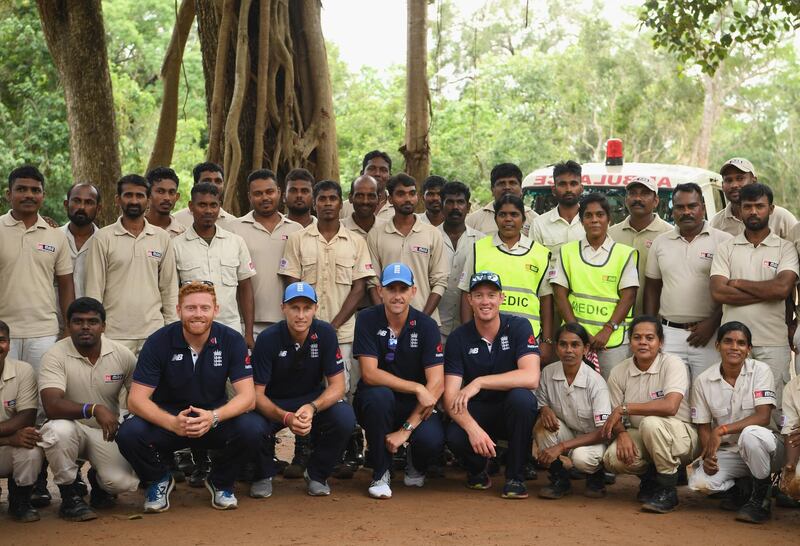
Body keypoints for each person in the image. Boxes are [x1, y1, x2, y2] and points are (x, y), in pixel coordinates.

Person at [115, 282, 265, 512]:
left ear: (216, 309)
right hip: (170, 421)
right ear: (178, 310)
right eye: (190, 308)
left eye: (205, 308)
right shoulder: (158, 341)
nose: (198, 314)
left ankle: (220, 481)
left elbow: (248, 397)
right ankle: (159, 479)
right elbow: (136, 400)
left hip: (211, 420)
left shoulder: (231, 340)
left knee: (254, 428)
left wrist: (213, 417)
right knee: (128, 433)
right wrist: (172, 423)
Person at [279, 180, 374, 478]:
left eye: (334, 198)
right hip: (302, 333)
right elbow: (291, 283)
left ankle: (341, 451)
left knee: (342, 392)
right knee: (306, 390)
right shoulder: (297, 239)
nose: (328, 203)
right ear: (315, 203)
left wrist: (330, 327)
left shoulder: (357, 242)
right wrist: (310, 324)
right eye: (323, 199)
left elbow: (360, 288)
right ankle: (303, 451)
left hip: (343, 333)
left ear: (341, 202)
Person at [250, 282, 356, 498]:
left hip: (310, 400)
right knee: (248, 426)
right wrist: (286, 417)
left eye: (306, 308)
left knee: (344, 417)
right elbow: (256, 395)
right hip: (274, 402)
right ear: (283, 308)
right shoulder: (267, 339)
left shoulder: (325, 333)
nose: (300, 315)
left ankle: (317, 474)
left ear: (315, 309)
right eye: (294, 307)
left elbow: (338, 386)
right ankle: (263, 474)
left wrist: (312, 406)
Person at [38, 298, 139, 521]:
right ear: (68, 324)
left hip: (107, 431)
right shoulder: (54, 355)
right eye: (78, 321)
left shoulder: (122, 354)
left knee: (122, 484)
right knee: (58, 431)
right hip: (71, 427)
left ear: (103, 326)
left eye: (93, 321)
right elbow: (52, 405)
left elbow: (138, 399)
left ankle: (98, 479)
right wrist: (93, 408)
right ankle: (69, 496)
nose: (85, 327)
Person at [444, 271, 540, 499]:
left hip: (509, 410)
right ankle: (479, 469)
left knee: (523, 400)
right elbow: (449, 397)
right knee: (455, 434)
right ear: (469, 300)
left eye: (491, 295)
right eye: (478, 295)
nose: (485, 301)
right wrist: (473, 429)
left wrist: (479, 382)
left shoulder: (518, 326)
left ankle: (515, 476)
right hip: (477, 410)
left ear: (502, 298)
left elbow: (531, 377)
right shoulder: (458, 337)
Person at [353, 263, 445, 499]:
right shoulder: (366, 319)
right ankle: (381, 472)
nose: (397, 295)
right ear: (380, 292)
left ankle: (415, 460)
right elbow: (370, 373)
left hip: (416, 406)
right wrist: (415, 386)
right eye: (391, 289)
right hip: (379, 400)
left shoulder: (427, 325)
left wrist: (405, 431)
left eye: (402, 289)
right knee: (379, 396)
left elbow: (437, 383)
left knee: (432, 440)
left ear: (413, 291)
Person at [710, 183, 798, 424]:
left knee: (774, 412)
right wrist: (767, 291)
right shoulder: (726, 248)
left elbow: (782, 289)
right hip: (734, 343)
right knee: (734, 408)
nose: (753, 212)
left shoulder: (785, 247)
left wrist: (737, 282)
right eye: (747, 206)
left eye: (759, 206)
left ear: (771, 209)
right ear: (739, 210)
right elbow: (719, 292)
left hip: (773, 342)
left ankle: (777, 463)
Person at [601, 316, 697, 514]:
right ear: (630, 342)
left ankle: (668, 490)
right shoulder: (619, 371)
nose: (643, 342)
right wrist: (622, 434)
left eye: (649, 338)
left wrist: (625, 408)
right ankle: (651, 479)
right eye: (637, 337)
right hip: (642, 432)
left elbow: (670, 407)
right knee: (613, 458)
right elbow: (614, 413)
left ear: (660, 342)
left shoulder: (673, 363)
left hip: (682, 435)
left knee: (651, 424)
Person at [688, 322, 779, 524]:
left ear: (749, 349)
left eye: (741, 343)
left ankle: (760, 500)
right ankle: (741, 486)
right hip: (731, 451)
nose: (734, 347)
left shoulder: (761, 370)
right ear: (718, 345)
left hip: (766, 448)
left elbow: (763, 416)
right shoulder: (703, 380)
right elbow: (703, 426)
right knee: (699, 483)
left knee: (750, 435)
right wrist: (709, 456)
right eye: (728, 341)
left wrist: (721, 429)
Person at [645, 182, 733, 381]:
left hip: (709, 334)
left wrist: (713, 322)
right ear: (672, 209)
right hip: (669, 334)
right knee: (672, 394)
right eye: (680, 207)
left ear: (702, 206)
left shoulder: (724, 241)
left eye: (692, 206)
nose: (686, 212)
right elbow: (652, 288)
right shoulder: (661, 242)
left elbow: (731, 291)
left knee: (707, 391)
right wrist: (652, 330)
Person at [85, 174, 178, 355]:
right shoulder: (103, 238)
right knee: (113, 384)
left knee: (153, 384)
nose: (134, 201)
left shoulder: (162, 238)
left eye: (140, 196)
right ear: (118, 200)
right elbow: (94, 289)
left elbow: (169, 287)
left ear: (149, 200)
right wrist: (97, 331)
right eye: (128, 195)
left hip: (154, 332)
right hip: (114, 334)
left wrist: (172, 328)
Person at [550, 193, 638, 379]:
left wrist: (607, 330)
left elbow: (629, 296)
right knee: (574, 391)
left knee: (611, 392)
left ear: (609, 219)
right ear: (581, 221)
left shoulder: (624, 254)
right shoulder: (567, 251)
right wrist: (579, 333)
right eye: (588, 216)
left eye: (600, 215)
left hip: (611, 341)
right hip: (574, 340)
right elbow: (559, 293)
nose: (594, 220)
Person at [458, 194, 554, 363]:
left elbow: (546, 300)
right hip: (485, 337)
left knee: (523, 387)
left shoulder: (540, 253)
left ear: (524, 219)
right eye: (502, 214)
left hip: (527, 338)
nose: (508, 219)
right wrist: (467, 334)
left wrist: (546, 341)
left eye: (514, 214)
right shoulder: (478, 249)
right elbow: (466, 293)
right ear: (495, 218)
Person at [1, 165, 74, 377]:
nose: (29, 195)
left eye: (35, 190)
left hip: (45, 333)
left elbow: (66, 284)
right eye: (21, 189)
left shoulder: (56, 235)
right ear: (9, 194)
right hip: (4, 331)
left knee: (44, 399)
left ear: (43, 195)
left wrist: (68, 329)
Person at [172, 182, 256, 345]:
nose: (208, 210)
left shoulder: (236, 242)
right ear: (191, 206)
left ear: (220, 207)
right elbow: (171, 293)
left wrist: (249, 333)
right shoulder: (176, 245)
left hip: (231, 328)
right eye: (202, 205)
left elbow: (245, 287)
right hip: (192, 330)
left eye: (213, 205)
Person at [535, 323, 610, 500]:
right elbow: (541, 401)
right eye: (563, 344)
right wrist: (544, 409)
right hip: (568, 434)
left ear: (586, 349)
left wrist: (560, 447)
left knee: (581, 458)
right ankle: (559, 478)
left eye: (575, 345)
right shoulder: (548, 372)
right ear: (556, 347)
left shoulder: (596, 383)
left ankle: (596, 475)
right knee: (542, 426)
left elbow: (604, 433)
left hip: (594, 440)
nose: (569, 350)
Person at [366, 173, 448, 324]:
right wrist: (386, 319)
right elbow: (373, 282)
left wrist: (422, 319)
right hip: (386, 323)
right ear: (390, 199)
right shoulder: (376, 234)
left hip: (426, 321)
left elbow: (440, 282)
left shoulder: (432, 234)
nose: (408, 199)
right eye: (401, 194)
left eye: (412, 193)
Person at [229, 169, 302, 336]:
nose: (265, 197)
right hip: (245, 323)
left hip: (287, 321)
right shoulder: (234, 229)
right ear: (249, 196)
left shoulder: (296, 230)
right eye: (258, 193)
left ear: (279, 192)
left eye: (270, 191)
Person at [0, 320, 44, 523]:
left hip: (7, 448)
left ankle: (20, 499)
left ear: (9, 344)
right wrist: (9, 439)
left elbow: (27, 416)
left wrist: (14, 438)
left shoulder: (23, 370)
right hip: (7, 440)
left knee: (30, 448)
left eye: (1, 340)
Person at [608, 176, 672, 316]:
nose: (637, 198)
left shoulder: (670, 235)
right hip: (615, 320)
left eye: (644, 193)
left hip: (656, 321)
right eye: (633, 193)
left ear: (655, 201)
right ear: (626, 200)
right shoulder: (610, 234)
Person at [438, 181, 483, 343]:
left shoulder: (481, 242)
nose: (455, 207)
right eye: (449, 202)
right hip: (435, 324)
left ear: (468, 206)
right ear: (442, 205)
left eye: (460, 202)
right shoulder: (430, 238)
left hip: (471, 326)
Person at [711, 158, 796, 239]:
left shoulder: (781, 218)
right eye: (729, 180)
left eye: (740, 178)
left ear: (754, 181)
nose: (734, 185)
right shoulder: (716, 224)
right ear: (722, 185)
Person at [530, 160, 585, 263]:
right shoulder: (539, 224)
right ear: (553, 190)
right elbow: (535, 263)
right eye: (562, 184)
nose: (568, 189)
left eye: (573, 184)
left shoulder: (595, 223)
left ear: (581, 188)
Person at [465, 163, 537, 237]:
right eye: (501, 183)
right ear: (492, 190)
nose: (507, 187)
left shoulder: (534, 219)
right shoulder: (473, 221)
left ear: (521, 188)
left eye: (512, 183)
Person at [61, 183, 101, 298]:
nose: (82, 207)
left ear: (98, 209)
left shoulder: (106, 242)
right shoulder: (53, 238)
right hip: (54, 315)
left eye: (89, 203)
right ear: (66, 204)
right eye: (77, 201)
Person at [174, 162, 236, 229]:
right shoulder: (177, 220)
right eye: (207, 180)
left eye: (218, 181)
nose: (213, 185)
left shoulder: (232, 223)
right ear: (195, 184)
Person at [341, 151, 395, 221]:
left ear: (389, 176)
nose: (377, 174)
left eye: (383, 170)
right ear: (362, 173)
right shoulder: (345, 208)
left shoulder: (397, 207)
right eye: (372, 169)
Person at [145, 167, 185, 238]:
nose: (167, 198)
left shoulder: (183, 234)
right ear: (148, 194)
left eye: (171, 192)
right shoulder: (132, 229)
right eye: (160, 191)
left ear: (177, 197)